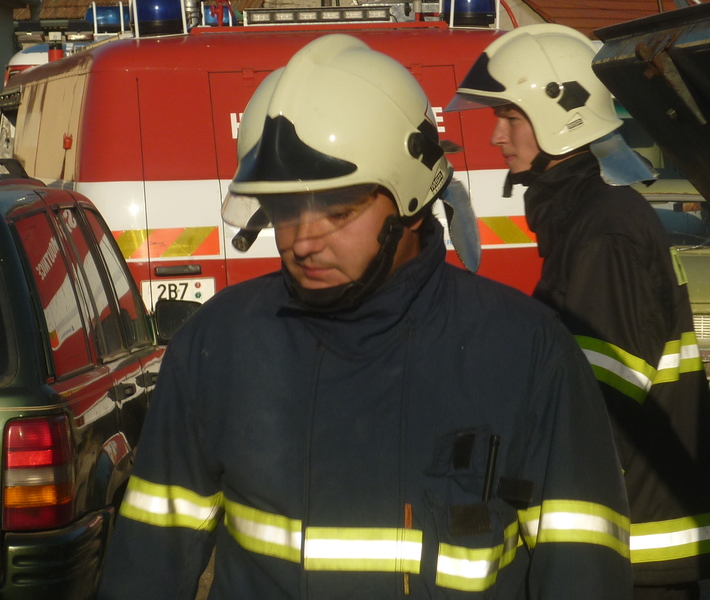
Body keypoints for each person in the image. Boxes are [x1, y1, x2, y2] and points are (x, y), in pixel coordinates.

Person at [97, 34, 632, 600]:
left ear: (410, 199)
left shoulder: (524, 351)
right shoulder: (218, 346)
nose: (302, 241)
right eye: (284, 209)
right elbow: (147, 566)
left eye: (337, 209)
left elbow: (583, 573)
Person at [446, 23, 710, 600]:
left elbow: (587, 409)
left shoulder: (605, 231)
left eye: (510, 116)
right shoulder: (585, 217)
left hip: (629, 553)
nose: (496, 136)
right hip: (619, 542)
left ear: (561, 115)